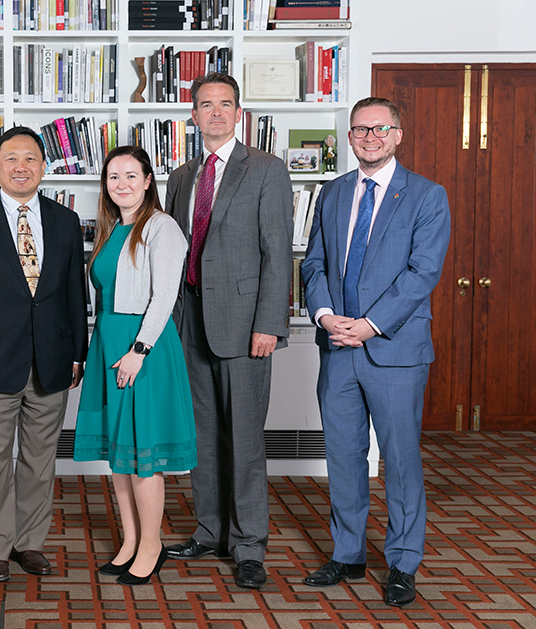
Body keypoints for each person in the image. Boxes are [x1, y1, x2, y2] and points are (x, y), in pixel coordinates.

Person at [300, 97, 450, 607]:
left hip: (394, 349)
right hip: (337, 346)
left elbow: (422, 274)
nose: (369, 137)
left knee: (400, 460)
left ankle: (403, 562)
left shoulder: (427, 196)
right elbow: (314, 263)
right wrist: (324, 316)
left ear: (398, 135)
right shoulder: (334, 192)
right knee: (343, 457)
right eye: (360, 130)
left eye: (379, 129)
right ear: (349, 136)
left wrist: (369, 325)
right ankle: (348, 553)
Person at [163, 73, 293, 589]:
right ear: (192, 116)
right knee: (200, 436)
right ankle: (210, 529)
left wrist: (269, 324)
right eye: (204, 105)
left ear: (239, 113)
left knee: (243, 437)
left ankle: (248, 545)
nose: (214, 113)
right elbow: (172, 253)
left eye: (225, 105)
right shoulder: (181, 175)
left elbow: (277, 253)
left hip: (244, 328)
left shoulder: (265, 169)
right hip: (189, 319)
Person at [0, 126, 88, 584]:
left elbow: (73, 293)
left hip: (52, 361)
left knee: (40, 460)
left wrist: (78, 353)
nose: (21, 167)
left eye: (30, 159)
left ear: (44, 167)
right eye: (11, 159)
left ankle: (29, 543)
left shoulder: (64, 221)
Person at [73, 146, 195, 586]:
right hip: (108, 344)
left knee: (144, 456)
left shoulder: (162, 228)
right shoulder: (111, 230)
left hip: (143, 347)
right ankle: (130, 540)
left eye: (130, 175)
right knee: (120, 456)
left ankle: (152, 545)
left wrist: (139, 351)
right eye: (112, 177)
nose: (121, 184)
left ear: (148, 181)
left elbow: (164, 296)